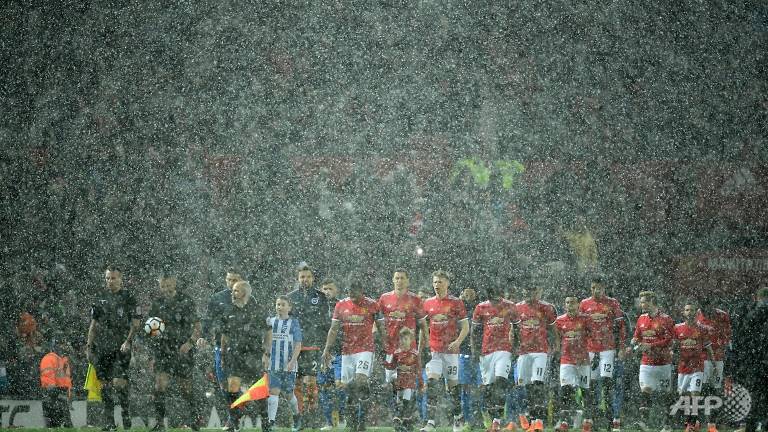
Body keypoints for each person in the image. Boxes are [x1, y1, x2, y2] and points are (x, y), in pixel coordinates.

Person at [321, 278, 385, 432]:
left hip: (365, 349)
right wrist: (327, 348)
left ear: (362, 291)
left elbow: (382, 327)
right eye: (350, 293)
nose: (352, 296)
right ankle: (351, 423)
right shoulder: (341, 305)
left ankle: (361, 422)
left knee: (361, 382)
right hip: (347, 351)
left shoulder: (372, 304)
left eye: (355, 293)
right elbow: (334, 328)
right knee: (347, 388)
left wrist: (385, 345)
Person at [85, 265, 140, 431]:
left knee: (119, 382)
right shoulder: (100, 298)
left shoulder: (129, 297)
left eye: (113, 278)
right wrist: (88, 346)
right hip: (102, 347)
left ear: (121, 279)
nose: (110, 281)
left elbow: (136, 324)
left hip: (121, 347)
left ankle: (125, 413)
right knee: (105, 385)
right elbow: (93, 324)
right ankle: (109, 422)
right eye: (108, 278)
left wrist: (128, 341)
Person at [146, 273, 203, 431]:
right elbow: (151, 330)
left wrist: (190, 343)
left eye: (169, 285)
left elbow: (197, 326)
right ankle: (160, 423)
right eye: (163, 286)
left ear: (175, 283)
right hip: (162, 350)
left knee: (186, 388)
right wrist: (152, 353)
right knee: (159, 385)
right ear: (159, 286)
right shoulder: (157, 304)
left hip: (181, 350)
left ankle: (195, 419)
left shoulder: (186, 301)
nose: (166, 289)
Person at [420, 270, 469, 432]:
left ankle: (457, 418)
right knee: (432, 384)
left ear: (447, 283)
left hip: (450, 351)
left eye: (440, 282)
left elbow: (465, 327)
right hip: (434, 351)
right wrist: (421, 348)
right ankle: (430, 423)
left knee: (452, 388)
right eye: (434, 282)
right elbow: (423, 328)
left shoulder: (456, 303)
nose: (436, 285)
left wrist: (457, 341)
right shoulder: (427, 303)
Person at [197, 268, 245, 427]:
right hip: (220, 346)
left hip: (241, 347)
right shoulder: (217, 298)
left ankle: (234, 417)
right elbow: (208, 319)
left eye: (235, 280)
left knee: (235, 383)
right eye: (229, 280)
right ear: (226, 280)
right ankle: (236, 413)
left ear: (241, 280)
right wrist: (203, 335)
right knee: (223, 384)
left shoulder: (248, 298)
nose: (232, 284)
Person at [579, 275, 627, 432]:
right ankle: (591, 419)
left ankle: (609, 420)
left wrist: (621, 348)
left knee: (607, 384)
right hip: (590, 350)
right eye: (592, 287)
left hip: (607, 349)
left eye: (598, 287)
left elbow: (621, 326)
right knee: (591, 386)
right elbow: (581, 327)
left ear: (604, 288)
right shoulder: (584, 304)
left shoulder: (613, 303)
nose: (595, 290)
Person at [377, 270, 428, 416]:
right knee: (391, 381)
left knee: (408, 381)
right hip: (390, 348)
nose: (399, 281)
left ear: (407, 281)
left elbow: (423, 324)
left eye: (402, 278)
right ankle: (399, 412)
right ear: (393, 280)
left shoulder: (415, 299)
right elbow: (376, 319)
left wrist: (427, 344)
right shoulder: (384, 298)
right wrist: (377, 337)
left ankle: (404, 414)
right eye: (397, 278)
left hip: (408, 348)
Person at [288, 265, 331, 429]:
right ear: (298, 279)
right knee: (296, 385)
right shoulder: (290, 297)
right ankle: (299, 417)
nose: (305, 280)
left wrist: (326, 346)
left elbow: (327, 323)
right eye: (302, 277)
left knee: (311, 383)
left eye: (308, 277)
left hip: (313, 345)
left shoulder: (321, 297)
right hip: (294, 347)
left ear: (313, 279)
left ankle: (312, 415)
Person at [470, 284, 518, 432]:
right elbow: (475, 331)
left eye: (497, 293)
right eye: (491, 293)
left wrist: (516, 347)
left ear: (501, 293)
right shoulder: (480, 308)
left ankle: (497, 421)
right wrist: (474, 350)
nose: (495, 297)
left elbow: (517, 327)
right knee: (489, 388)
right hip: (486, 352)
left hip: (504, 350)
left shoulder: (510, 306)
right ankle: (493, 423)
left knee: (500, 382)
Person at [514, 283, 557, 432]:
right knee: (522, 385)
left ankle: (538, 420)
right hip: (523, 352)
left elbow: (553, 328)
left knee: (537, 384)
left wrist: (556, 345)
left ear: (538, 291)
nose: (529, 293)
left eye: (533, 290)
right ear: (523, 291)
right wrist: (512, 346)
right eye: (527, 290)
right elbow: (512, 329)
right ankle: (526, 417)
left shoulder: (546, 307)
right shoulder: (517, 307)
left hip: (540, 351)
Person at [631, 291, 675, 432]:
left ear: (652, 302)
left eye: (644, 302)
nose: (641, 304)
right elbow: (637, 337)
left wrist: (651, 345)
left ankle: (667, 424)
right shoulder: (641, 319)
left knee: (665, 394)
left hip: (663, 363)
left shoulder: (666, 319)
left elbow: (669, 340)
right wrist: (634, 342)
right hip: (646, 362)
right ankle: (644, 422)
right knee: (646, 390)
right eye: (641, 301)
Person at [553, 296, 594, 432]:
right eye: (567, 302)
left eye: (572, 302)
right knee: (565, 390)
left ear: (578, 305)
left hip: (583, 361)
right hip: (567, 360)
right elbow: (557, 340)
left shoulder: (586, 319)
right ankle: (564, 422)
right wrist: (557, 354)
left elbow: (593, 337)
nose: (570, 305)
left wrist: (592, 354)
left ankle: (587, 421)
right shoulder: (559, 321)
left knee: (585, 390)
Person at [673, 301, 714, 432]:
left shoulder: (702, 328)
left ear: (696, 312)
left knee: (695, 395)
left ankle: (690, 424)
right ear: (683, 312)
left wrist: (713, 364)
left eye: (691, 310)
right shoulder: (677, 328)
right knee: (684, 397)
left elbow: (708, 347)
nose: (689, 312)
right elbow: (673, 347)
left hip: (697, 367)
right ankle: (690, 422)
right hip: (683, 367)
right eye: (687, 310)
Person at [264, 295, 302, 432]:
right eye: (278, 304)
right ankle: (270, 423)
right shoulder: (270, 321)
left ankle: (297, 416)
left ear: (289, 307)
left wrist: (292, 361)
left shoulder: (294, 323)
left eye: (283, 304)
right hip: (273, 364)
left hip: (288, 364)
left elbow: (298, 344)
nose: (279, 307)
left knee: (288, 394)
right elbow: (266, 341)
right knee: (273, 391)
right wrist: (266, 355)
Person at [733, 286, 768, 432]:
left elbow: (744, 330)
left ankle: (750, 424)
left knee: (753, 392)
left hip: (756, 359)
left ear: (757, 298)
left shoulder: (752, 312)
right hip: (761, 356)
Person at [695, 296, 731, 432]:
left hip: (717, 358)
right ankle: (698, 421)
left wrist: (718, 348)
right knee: (700, 389)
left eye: (708, 309)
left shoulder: (723, 316)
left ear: (713, 306)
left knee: (715, 389)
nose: (706, 312)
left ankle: (712, 423)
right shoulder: (696, 315)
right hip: (701, 358)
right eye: (704, 310)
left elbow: (727, 335)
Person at [318, 279, 347, 431]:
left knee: (339, 385)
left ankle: (342, 415)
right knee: (324, 387)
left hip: (340, 351)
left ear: (336, 291)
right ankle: (328, 422)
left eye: (330, 288)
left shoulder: (342, 306)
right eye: (324, 289)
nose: (327, 291)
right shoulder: (317, 307)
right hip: (322, 353)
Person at [383, 327, 423, 432]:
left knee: (406, 401)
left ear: (411, 340)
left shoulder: (415, 354)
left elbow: (419, 369)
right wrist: (385, 363)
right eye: (401, 339)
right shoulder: (396, 353)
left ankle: (400, 420)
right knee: (399, 402)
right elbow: (392, 366)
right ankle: (405, 422)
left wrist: (421, 383)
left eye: (406, 339)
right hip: (400, 381)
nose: (403, 341)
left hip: (410, 381)